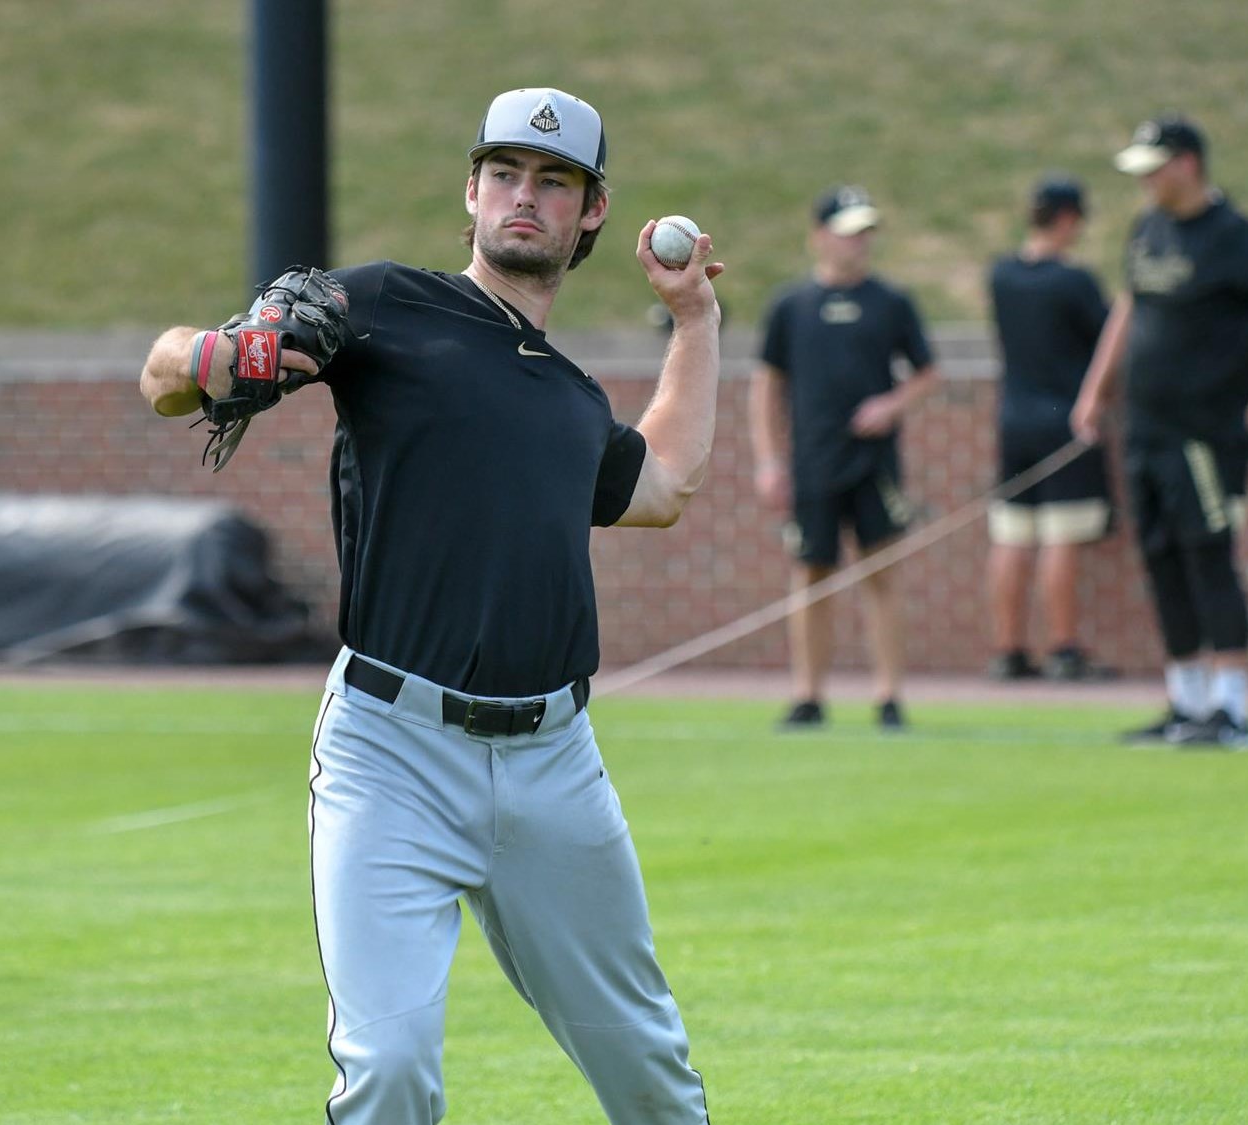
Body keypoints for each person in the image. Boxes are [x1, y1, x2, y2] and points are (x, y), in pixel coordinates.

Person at [140, 88, 721, 1123]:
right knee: (391, 1071)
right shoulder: (380, 306)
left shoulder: (571, 398)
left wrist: (694, 320)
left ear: (591, 211)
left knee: (651, 1077)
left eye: (553, 181)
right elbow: (162, 377)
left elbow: (664, 488)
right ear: (470, 190)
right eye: (504, 173)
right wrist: (220, 356)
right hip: (391, 754)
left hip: (554, 767)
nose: (523, 197)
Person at [1071, 114, 1248, 749]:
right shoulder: (1148, 229)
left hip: (1207, 432)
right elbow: (1130, 307)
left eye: (1154, 168)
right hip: (1146, 427)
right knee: (1160, 558)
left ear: (1187, 164)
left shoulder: (1234, 236)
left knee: (1207, 554)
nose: (1146, 182)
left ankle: (1231, 708)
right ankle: (1186, 703)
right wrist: (1097, 389)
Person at [750, 186, 941, 732]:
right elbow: (766, 386)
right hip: (813, 461)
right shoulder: (791, 306)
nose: (860, 241)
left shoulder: (892, 302)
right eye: (848, 230)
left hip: (875, 464)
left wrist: (892, 404)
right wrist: (768, 460)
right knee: (811, 572)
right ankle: (808, 694)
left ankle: (888, 696)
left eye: (866, 231)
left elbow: (928, 373)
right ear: (820, 236)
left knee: (881, 572)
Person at [984, 175, 1119, 682]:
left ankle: (1008, 648)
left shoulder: (1001, 276)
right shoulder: (1073, 282)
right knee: (1062, 534)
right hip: (1065, 420)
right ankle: (1063, 647)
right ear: (1066, 219)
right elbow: (1110, 342)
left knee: (1012, 535)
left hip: (1013, 420)